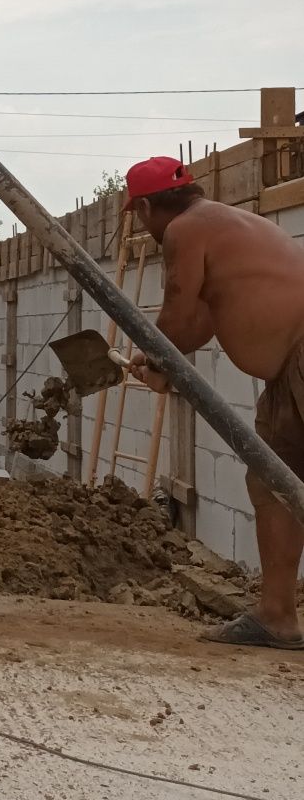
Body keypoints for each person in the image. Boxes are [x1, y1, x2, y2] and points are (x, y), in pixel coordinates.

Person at [126, 154, 304, 650]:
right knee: (273, 482)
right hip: (289, 374)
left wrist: (158, 363)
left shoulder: (186, 230)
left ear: (142, 209)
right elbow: (199, 322)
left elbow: (178, 315)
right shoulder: (216, 224)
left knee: (278, 481)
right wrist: (156, 362)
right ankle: (277, 617)